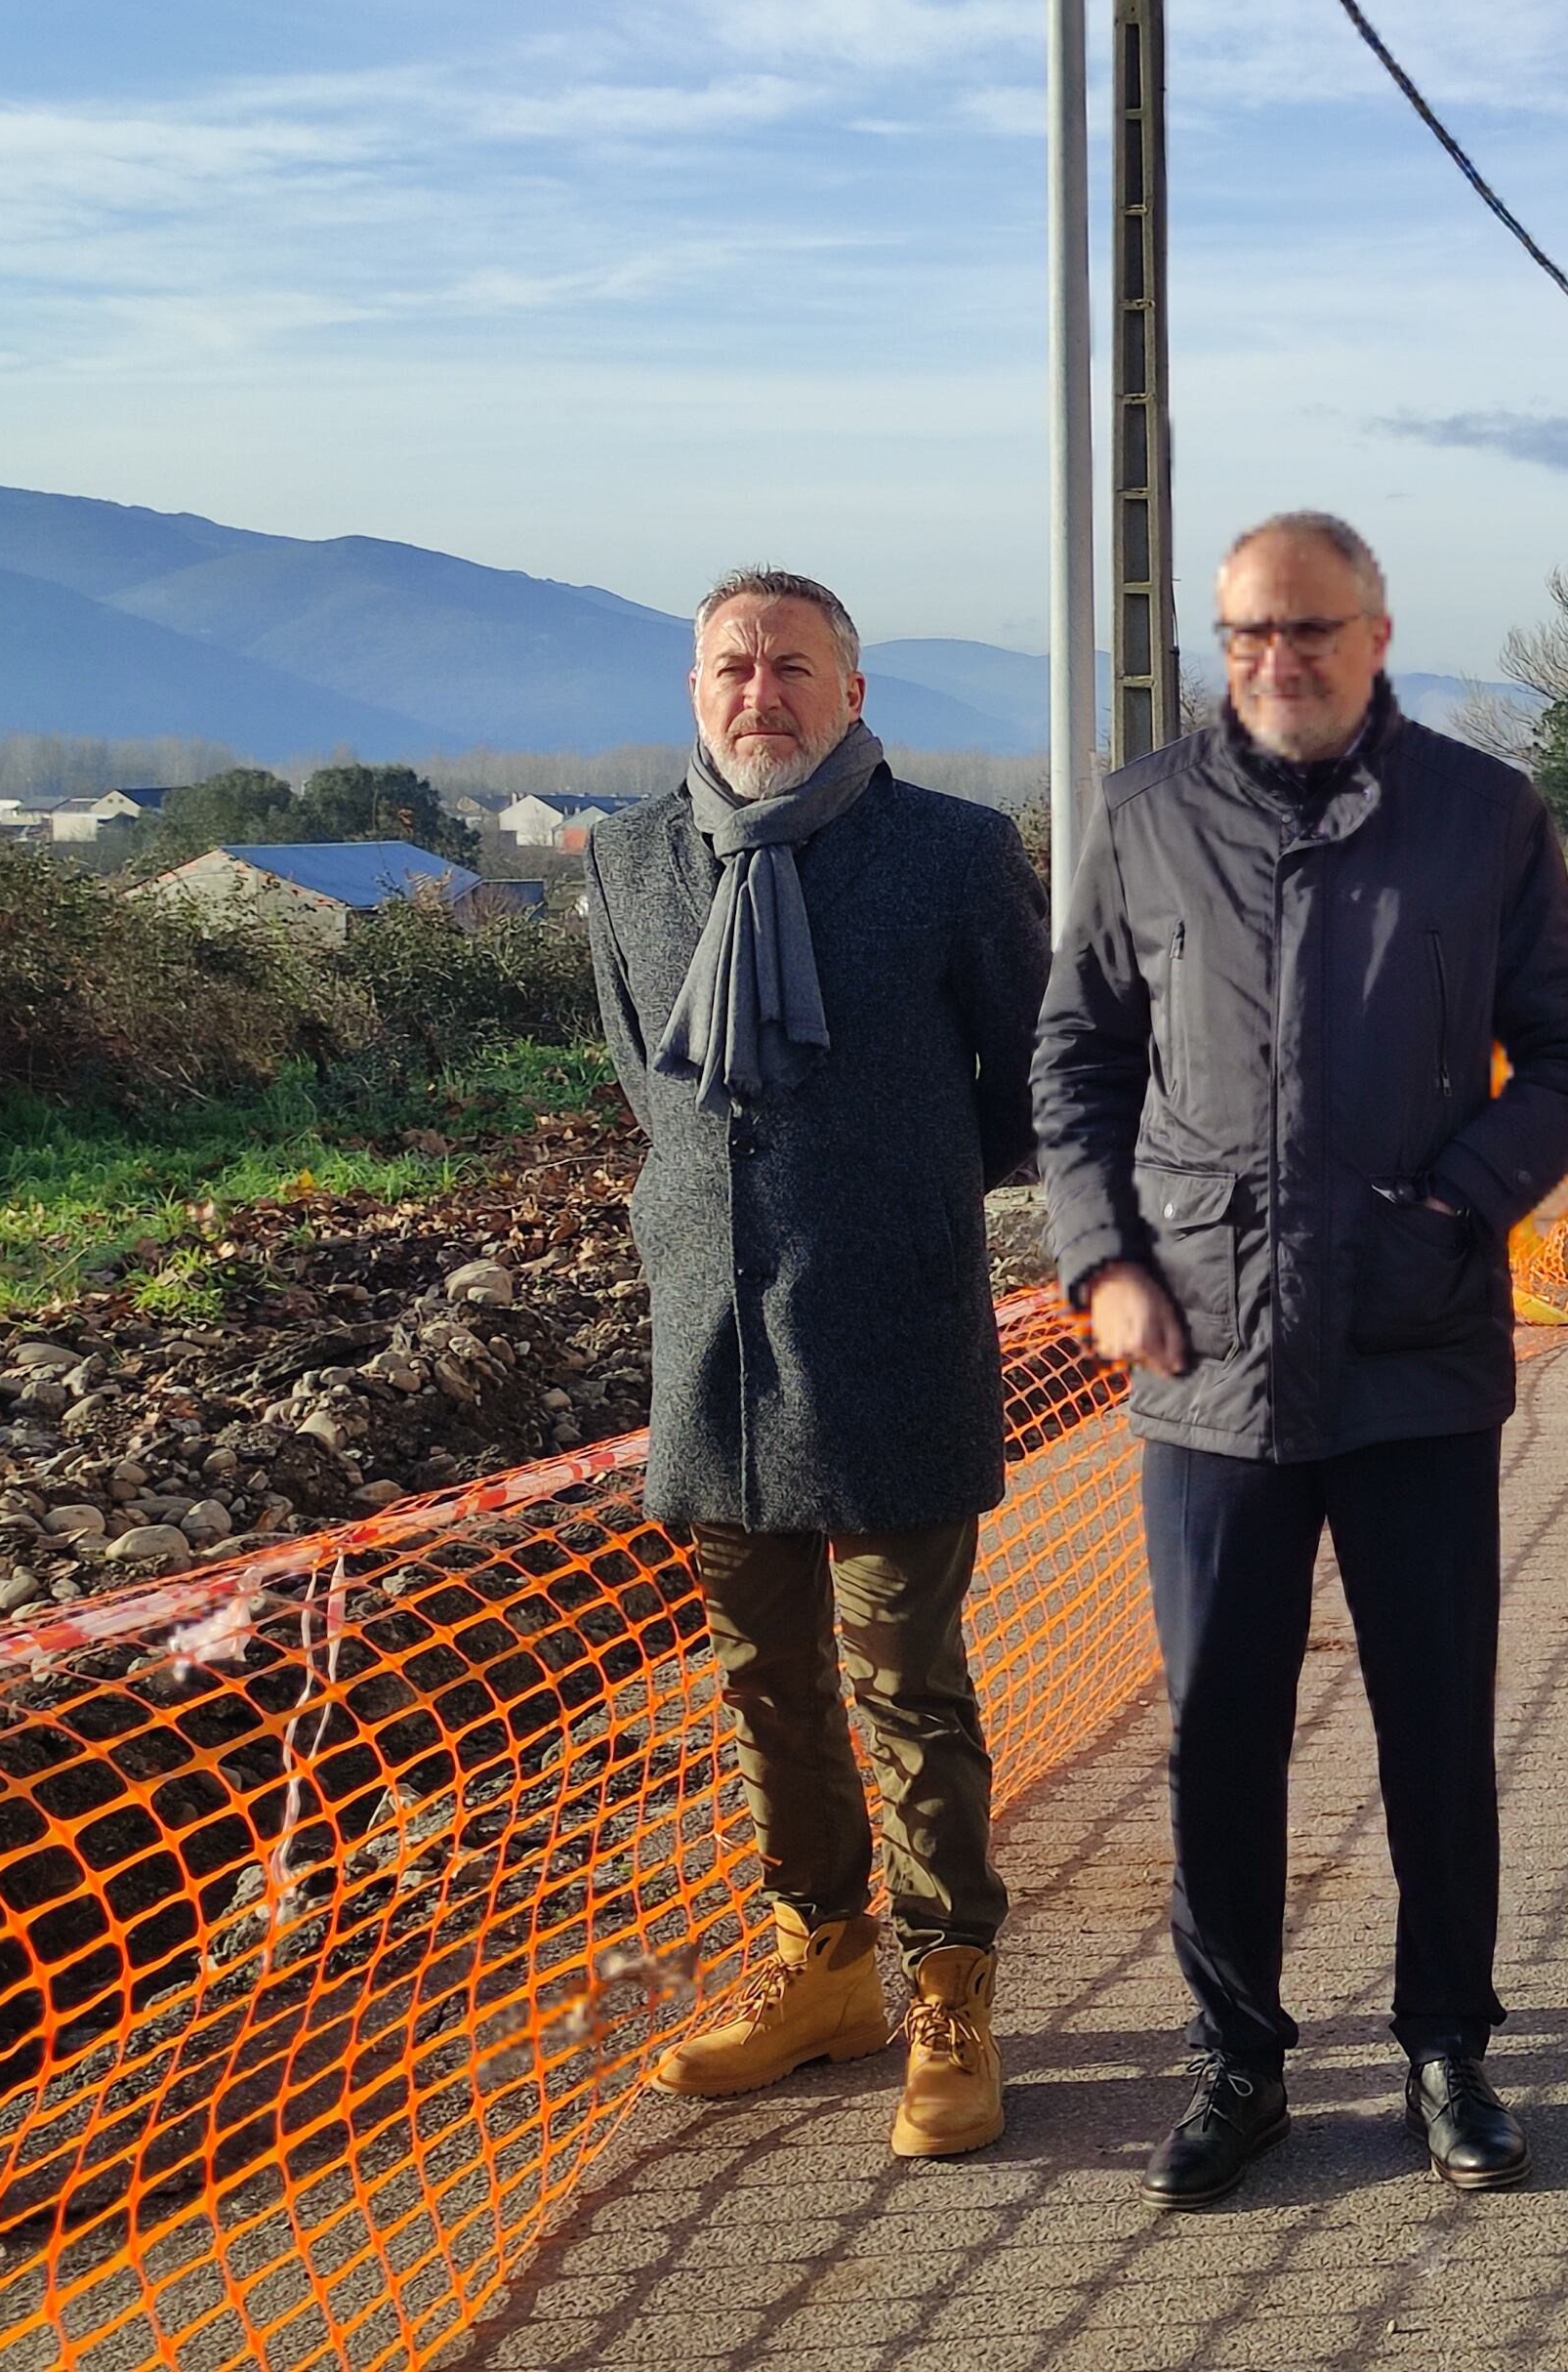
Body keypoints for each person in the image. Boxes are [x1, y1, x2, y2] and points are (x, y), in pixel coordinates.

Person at [1032, 511, 1568, 2208]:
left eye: (1305, 630)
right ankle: (1239, 2057)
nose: (1273, 662)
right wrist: (1101, 1260)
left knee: (1431, 1716)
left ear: (1376, 630)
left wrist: (1461, 1201)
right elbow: (1073, 1060)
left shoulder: (1481, 815)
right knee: (1219, 1720)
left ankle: (1447, 2039)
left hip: (1415, 1345)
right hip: (1208, 1356)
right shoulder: (1144, 818)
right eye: (1242, 636)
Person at [588, 568, 1047, 2162]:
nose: (759, 690)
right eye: (732, 664)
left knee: (905, 1683)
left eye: (794, 665)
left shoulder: (951, 853)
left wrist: (890, 1191)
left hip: (891, 1330)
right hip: (708, 1341)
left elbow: (1027, 1081)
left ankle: (950, 1989)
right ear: (694, 688)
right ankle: (824, 1964)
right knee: (762, 1684)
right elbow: (645, 1071)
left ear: (854, 694)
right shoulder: (626, 857)